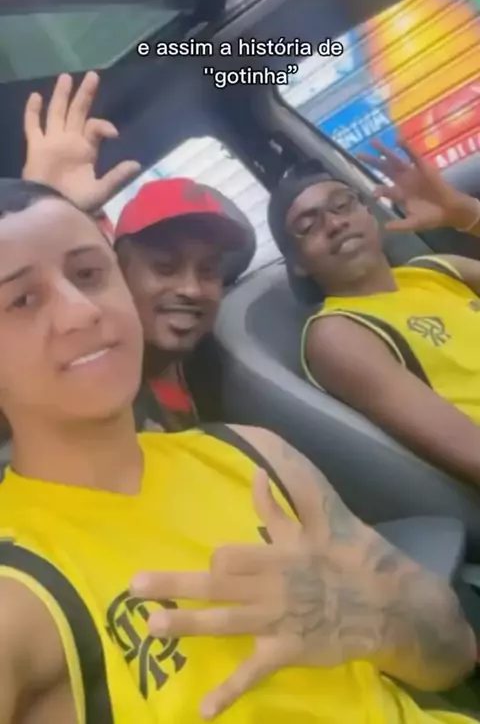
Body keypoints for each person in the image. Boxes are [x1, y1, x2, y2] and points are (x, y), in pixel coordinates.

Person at [0, 176, 475, 724]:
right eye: (22, 299)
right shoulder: (21, 591)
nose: (81, 311)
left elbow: (454, 650)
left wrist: (371, 619)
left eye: (87, 274)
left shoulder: (251, 453)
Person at [22, 72, 251, 430]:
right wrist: (38, 223)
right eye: (165, 267)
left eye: (207, 271)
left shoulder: (215, 363)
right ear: (119, 274)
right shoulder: (79, 379)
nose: (191, 289)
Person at [267, 142, 480, 488]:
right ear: (298, 265)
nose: (334, 223)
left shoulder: (436, 270)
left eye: (342, 204)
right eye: (308, 225)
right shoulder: (339, 332)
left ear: (370, 214)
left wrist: (464, 213)